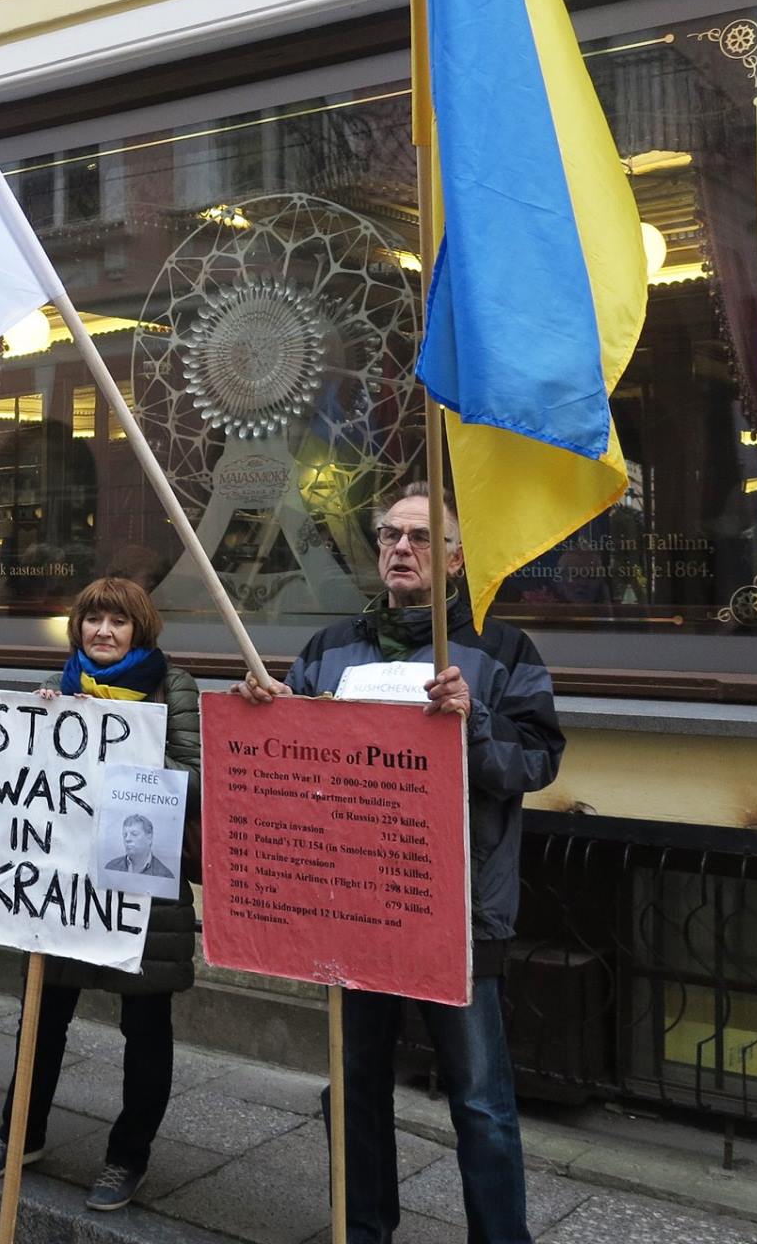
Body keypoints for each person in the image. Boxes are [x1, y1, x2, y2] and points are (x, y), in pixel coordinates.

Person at [239, 481, 562, 1244]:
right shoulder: (329, 649)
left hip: (458, 909)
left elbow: (537, 762)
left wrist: (472, 724)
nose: (402, 549)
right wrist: (266, 716)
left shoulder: (503, 651)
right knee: (353, 1085)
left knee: (479, 1099)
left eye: (422, 538)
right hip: (354, 905)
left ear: (456, 560)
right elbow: (295, 766)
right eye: (390, 535)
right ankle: (363, 1230)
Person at [0, 576, 201, 1212]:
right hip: (65, 884)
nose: (103, 631)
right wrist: (46, 725)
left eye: (118, 621)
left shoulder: (173, 686)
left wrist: (119, 746)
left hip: (141, 888)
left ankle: (128, 1155)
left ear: (139, 629)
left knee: (145, 1028)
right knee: (42, 1015)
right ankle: (21, 1131)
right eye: (94, 619)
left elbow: (195, 779)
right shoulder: (60, 684)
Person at [104, 813, 172, 878]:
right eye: (125, 835)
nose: (127, 839)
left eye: (134, 834)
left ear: (149, 838)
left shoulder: (165, 875)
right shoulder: (111, 867)